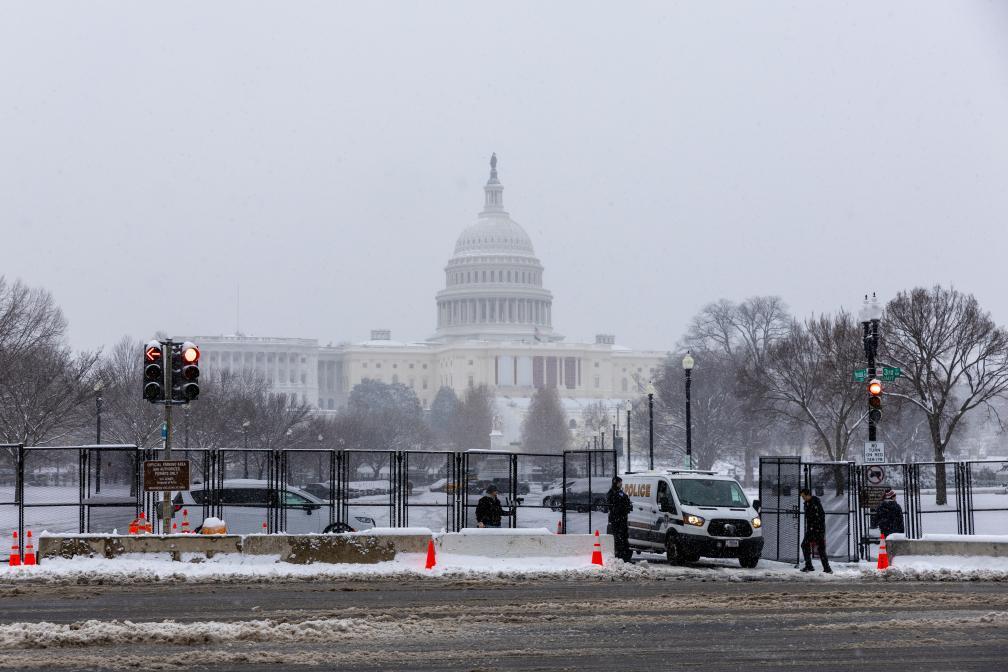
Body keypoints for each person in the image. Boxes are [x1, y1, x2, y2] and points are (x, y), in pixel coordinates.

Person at [800, 488, 831, 573]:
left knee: (820, 548)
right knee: (805, 545)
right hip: (811, 529)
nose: (803, 498)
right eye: (802, 496)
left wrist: (815, 527)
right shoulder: (807, 503)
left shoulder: (815, 503)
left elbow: (821, 516)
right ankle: (809, 565)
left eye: (803, 496)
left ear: (808, 495)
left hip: (818, 529)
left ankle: (827, 568)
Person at [606, 476, 633, 562]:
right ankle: (619, 556)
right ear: (615, 483)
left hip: (623, 519)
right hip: (616, 519)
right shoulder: (611, 493)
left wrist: (628, 506)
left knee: (624, 537)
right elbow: (614, 505)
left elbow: (625, 500)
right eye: (619, 482)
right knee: (618, 538)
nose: (621, 484)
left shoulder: (620, 492)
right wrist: (622, 507)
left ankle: (626, 557)